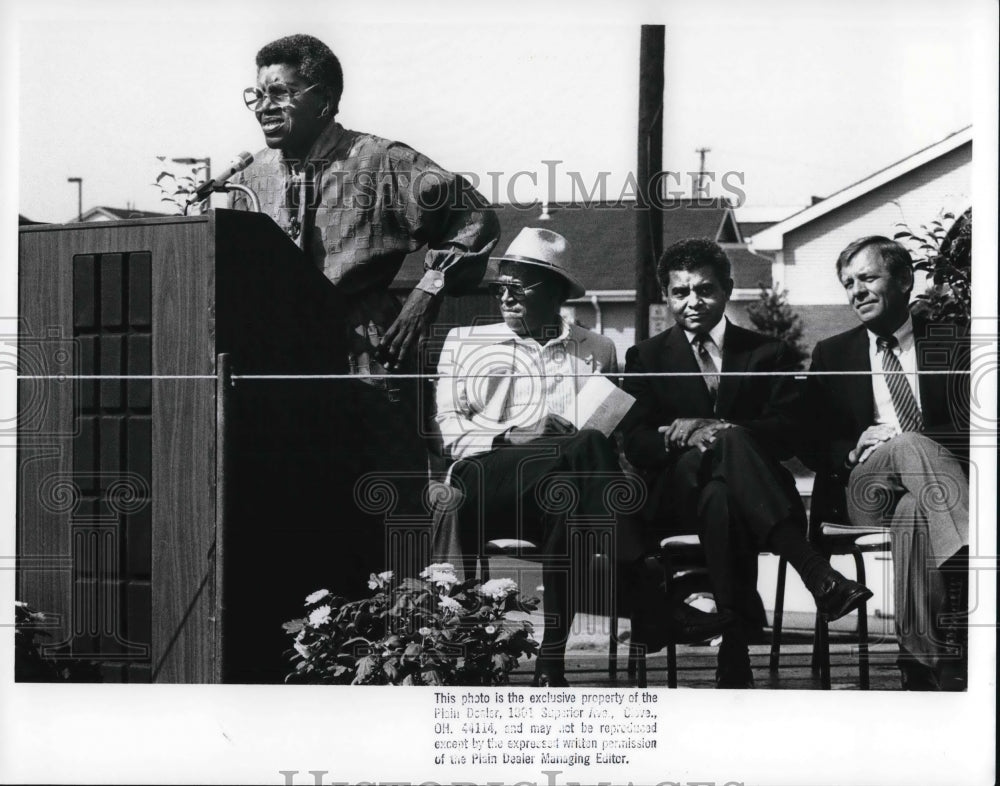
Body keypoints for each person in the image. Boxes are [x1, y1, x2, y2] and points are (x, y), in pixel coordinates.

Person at [434, 228, 733, 686]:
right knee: (585, 447)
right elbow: (447, 435)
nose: (505, 298)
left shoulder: (597, 350)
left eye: (519, 288)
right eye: (500, 287)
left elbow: (611, 433)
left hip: (557, 489)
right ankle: (650, 592)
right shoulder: (465, 341)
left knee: (573, 494)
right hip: (482, 483)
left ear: (555, 292)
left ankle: (550, 665)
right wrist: (514, 436)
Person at [621, 237, 872, 688]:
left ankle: (733, 650)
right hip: (676, 496)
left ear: (727, 289)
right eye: (681, 293)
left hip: (743, 500)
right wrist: (689, 437)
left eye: (705, 290)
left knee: (723, 493)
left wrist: (716, 428)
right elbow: (636, 443)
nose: (693, 302)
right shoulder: (646, 357)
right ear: (667, 296)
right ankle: (815, 571)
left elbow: (789, 434)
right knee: (721, 463)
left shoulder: (766, 353)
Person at [230, 33, 500, 383]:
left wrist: (428, 291)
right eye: (258, 96)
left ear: (324, 101)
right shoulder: (250, 177)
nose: (265, 107)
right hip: (275, 356)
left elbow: (472, 216)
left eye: (280, 93)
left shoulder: (381, 161)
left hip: (365, 357)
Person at [803, 236, 969, 691]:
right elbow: (808, 439)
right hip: (864, 488)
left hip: (931, 493)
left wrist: (916, 446)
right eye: (848, 283)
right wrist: (851, 449)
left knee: (914, 512)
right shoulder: (832, 353)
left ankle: (920, 660)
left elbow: (977, 432)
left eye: (868, 278)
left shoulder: (952, 342)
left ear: (904, 281)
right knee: (905, 447)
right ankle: (969, 554)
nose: (856, 291)